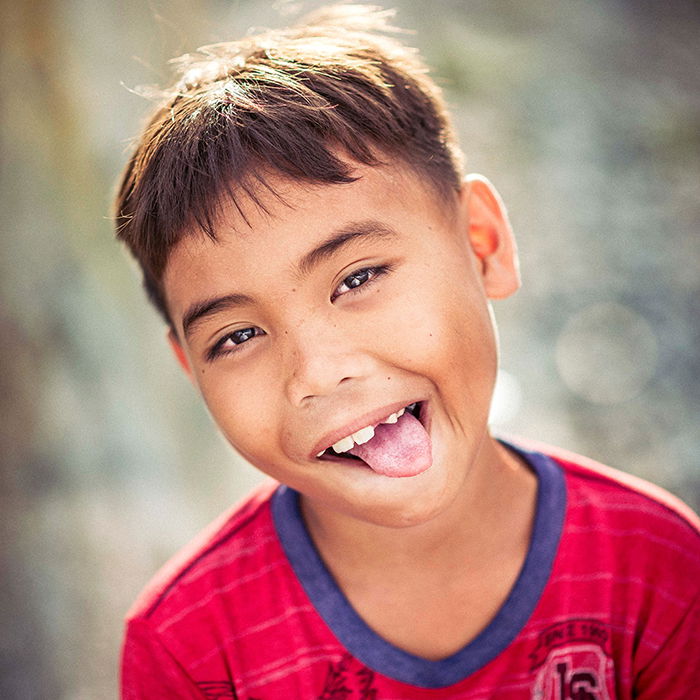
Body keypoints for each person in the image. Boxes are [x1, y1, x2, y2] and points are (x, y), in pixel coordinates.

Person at [114, 5, 700, 698]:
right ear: (191, 370)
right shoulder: (189, 645)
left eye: (358, 278)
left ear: (482, 244)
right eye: (237, 337)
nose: (319, 371)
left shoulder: (655, 566)